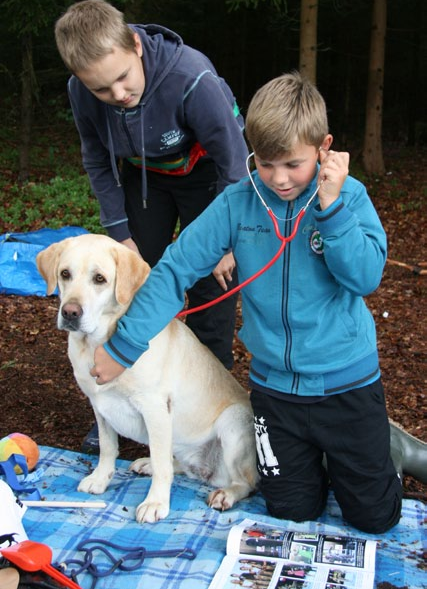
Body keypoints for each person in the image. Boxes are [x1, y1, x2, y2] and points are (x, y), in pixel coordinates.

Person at [90, 72, 403, 534]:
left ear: (324, 147)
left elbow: (365, 277)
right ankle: (322, 460)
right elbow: (175, 267)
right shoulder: (238, 203)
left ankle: (382, 450)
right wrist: (122, 348)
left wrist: (331, 210)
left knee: (375, 518)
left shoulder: (348, 198)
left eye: (293, 164)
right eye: (265, 163)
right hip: (276, 393)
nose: (278, 179)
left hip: (346, 386)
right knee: (292, 510)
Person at [55, 0, 248, 451]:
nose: (118, 94)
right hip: (146, 180)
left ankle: (202, 408)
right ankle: (117, 401)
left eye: (123, 78)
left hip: (209, 179)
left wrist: (226, 242)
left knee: (209, 284)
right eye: (102, 90)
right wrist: (120, 234)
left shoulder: (191, 77)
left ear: (136, 46)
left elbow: (235, 165)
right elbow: (97, 160)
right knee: (131, 285)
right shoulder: (81, 90)